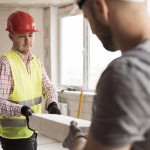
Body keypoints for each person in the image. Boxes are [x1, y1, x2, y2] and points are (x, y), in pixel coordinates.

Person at [63, 0, 150, 150]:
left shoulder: (126, 74)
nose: (92, 31)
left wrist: (78, 141)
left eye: (87, 18)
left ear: (100, 7)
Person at [0, 11, 60, 150]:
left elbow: (48, 87)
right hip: (14, 136)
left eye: (31, 35)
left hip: (32, 130)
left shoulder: (36, 62)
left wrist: (52, 103)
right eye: (22, 36)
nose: (28, 40)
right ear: (11, 36)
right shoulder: (6, 63)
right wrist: (21, 110)